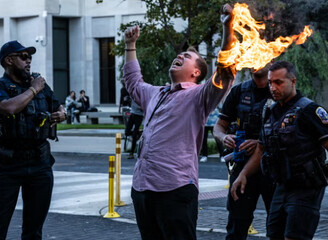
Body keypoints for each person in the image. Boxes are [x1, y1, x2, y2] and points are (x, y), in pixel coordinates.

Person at [123, 4, 236, 239]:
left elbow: (225, 72)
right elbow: (133, 81)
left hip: (175, 189)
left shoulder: (199, 96)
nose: (179, 56)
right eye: (180, 54)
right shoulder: (155, 93)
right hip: (142, 188)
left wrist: (228, 27)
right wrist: (130, 45)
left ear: (196, 73)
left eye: (186, 57)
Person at [231, 61, 328, 240]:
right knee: (275, 234)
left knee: (294, 236)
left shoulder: (310, 110)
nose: (273, 87)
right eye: (270, 82)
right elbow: (261, 149)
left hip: (306, 187)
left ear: (293, 81)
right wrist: (243, 174)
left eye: (279, 82)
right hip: (281, 186)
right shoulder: (271, 112)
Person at [0, 40, 66, 239]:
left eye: (30, 57)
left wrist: (62, 114)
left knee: (34, 230)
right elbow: (8, 107)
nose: (29, 61)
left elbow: (58, 106)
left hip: (40, 163)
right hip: (9, 165)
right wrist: (34, 89)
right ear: (9, 60)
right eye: (23, 56)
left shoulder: (39, 84)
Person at [213, 62, 275, 240]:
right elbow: (219, 127)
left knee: (277, 223)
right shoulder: (239, 91)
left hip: (272, 166)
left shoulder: (278, 89)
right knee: (237, 224)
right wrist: (224, 137)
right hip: (242, 165)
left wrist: (259, 143)